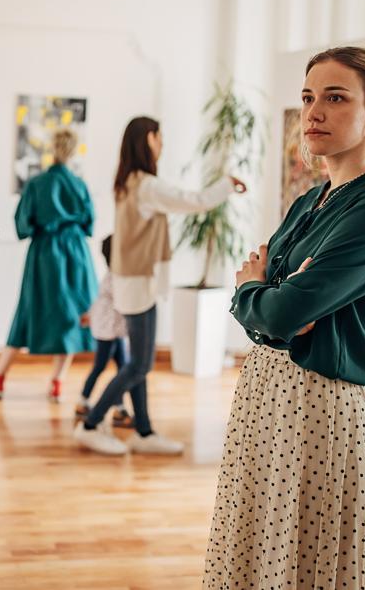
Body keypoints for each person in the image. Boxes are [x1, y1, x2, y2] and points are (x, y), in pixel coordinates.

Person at [203, 46, 365, 589]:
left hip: (325, 410)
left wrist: (258, 292)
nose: (313, 112)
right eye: (307, 97)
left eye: (335, 97)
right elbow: (272, 312)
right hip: (267, 398)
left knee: (314, 565)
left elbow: (281, 309)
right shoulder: (311, 200)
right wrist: (265, 301)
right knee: (260, 551)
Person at [73, 116, 245, 455]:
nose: (163, 142)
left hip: (133, 283)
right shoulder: (147, 186)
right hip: (137, 285)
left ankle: (144, 431)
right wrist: (226, 184)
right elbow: (193, 201)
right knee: (140, 365)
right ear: (147, 139)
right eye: (159, 136)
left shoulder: (128, 181)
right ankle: (91, 424)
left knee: (138, 362)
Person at [0, 127, 97, 402]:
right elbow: (89, 224)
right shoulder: (79, 185)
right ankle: (58, 380)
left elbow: (22, 224)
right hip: (76, 253)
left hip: (45, 253)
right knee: (73, 314)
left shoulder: (36, 184)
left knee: (28, 310)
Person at [74, 235, 134, 429]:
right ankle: (84, 401)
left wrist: (89, 315)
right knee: (102, 367)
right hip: (108, 331)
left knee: (122, 369)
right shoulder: (117, 278)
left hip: (113, 330)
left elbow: (101, 302)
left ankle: (118, 407)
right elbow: (116, 303)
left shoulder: (113, 276)